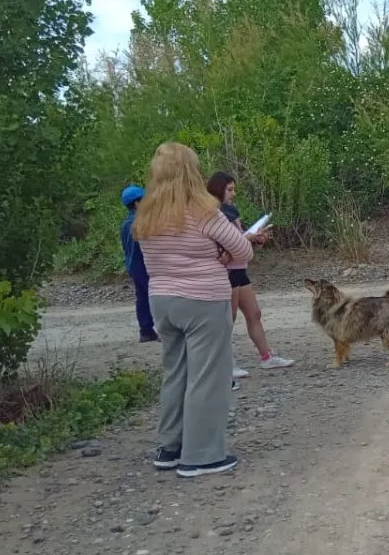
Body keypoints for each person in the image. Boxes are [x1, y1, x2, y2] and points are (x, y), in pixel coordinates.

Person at [135, 142, 254, 477]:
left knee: (176, 371)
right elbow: (243, 249)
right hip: (203, 298)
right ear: (192, 170)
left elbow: (149, 261)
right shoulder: (203, 210)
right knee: (208, 376)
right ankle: (201, 455)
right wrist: (226, 255)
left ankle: (170, 447)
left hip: (162, 299)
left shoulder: (147, 213)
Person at [206, 171, 295, 377]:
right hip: (227, 272)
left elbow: (239, 241)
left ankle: (267, 356)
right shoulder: (214, 215)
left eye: (234, 189)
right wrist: (248, 238)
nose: (233, 194)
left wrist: (256, 240)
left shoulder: (230, 212)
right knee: (227, 320)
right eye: (230, 189)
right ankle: (226, 364)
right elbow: (227, 244)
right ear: (218, 189)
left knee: (254, 313)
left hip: (240, 269)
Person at [120, 185, 158, 343]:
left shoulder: (125, 224)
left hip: (131, 264)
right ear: (137, 203)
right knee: (154, 295)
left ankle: (146, 330)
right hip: (143, 264)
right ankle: (161, 328)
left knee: (141, 296)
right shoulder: (140, 223)